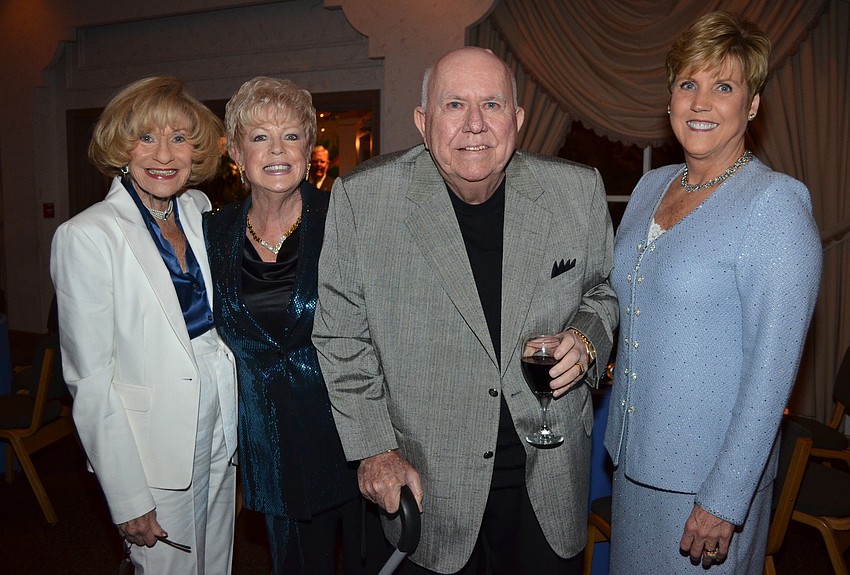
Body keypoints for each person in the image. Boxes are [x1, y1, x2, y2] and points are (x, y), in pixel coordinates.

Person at [313, 47, 618, 575]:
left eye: (492, 105)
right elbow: (341, 337)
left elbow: (602, 293)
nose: (475, 124)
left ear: (517, 119)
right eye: (454, 105)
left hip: (547, 482)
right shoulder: (364, 201)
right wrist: (375, 450)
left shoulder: (577, 191)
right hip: (427, 486)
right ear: (422, 121)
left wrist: (587, 338)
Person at [603, 11, 822, 574]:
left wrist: (724, 498)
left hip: (705, 487)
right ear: (670, 99)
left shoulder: (774, 205)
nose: (700, 103)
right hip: (631, 464)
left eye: (723, 87)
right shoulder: (650, 187)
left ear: (752, 105)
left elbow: (772, 372)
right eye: (688, 84)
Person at [203, 76, 391, 575]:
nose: (277, 150)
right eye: (259, 137)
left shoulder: (347, 219)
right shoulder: (212, 234)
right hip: (273, 446)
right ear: (236, 154)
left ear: (309, 149)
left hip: (355, 439)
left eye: (291, 136)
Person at [50, 77, 239, 573]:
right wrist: (127, 494)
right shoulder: (86, 236)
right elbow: (89, 379)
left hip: (221, 426)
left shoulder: (197, 209)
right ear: (121, 146)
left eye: (179, 138)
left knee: (216, 563)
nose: (164, 154)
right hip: (152, 447)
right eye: (146, 137)